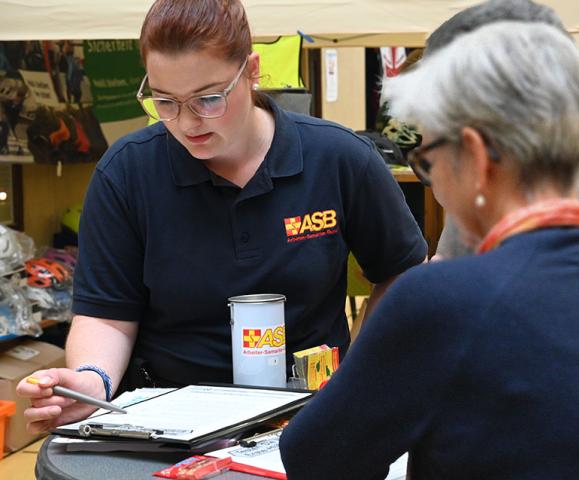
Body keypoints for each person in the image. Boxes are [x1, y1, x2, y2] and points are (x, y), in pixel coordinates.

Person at [280, 21, 579, 479]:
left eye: (428, 160)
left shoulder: (440, 300)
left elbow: (313, 456)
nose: (433, 184)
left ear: (472, 153)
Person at [17, 0, 426, 433]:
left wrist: (359, 373)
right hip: (167, 420)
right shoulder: (127, 174)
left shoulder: (340, 159)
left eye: (208, 99)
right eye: (165, 101)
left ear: (251, 71)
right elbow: (106, 315)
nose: (187, 123)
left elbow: (402, 272)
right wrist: (91, 381)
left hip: (312, 416)